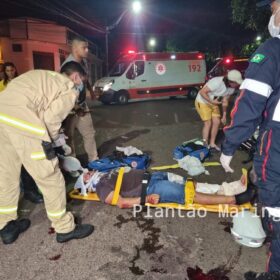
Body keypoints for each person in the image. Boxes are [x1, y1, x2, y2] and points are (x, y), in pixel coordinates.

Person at [0, 61, 94, 245]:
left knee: (6, 176)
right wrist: (50, 146)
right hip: (21, 122)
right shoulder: (69, 88)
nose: (81, 85)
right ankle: (65, 228)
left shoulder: (44, 77)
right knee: (51, 176)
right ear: (75, 77)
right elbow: (50, 120)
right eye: (81, 80)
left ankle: (6, 227)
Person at [220, 0, 280, 272]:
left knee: (275, 214)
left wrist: (229, 145)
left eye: (274, 7)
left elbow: (249, 104)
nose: (272, 14)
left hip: (277, 145)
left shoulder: (273, 51)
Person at [74, 169, 256, 208]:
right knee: (189, 193)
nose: (89, 172)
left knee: (189, 183)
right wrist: (146, 199)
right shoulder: (101, 189)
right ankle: (236, 199)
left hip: (152, 177)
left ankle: (231, 188)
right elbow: (122, 203)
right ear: (86, 185)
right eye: (86, 176)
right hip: (152, 187)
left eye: (87, 172)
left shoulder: (105, 175)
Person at [0, 62, 43, 203]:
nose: (10, 73)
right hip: (7, 128)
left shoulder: (21, 83)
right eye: (7, 71)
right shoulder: (2, 85)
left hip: (23, 125)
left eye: (12, 70)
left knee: (27, 161)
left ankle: (30, 191)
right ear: (4, 72)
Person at [61, 36, 98, 162]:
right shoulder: (67, 67)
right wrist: (76, 108)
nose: (87, 50)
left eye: (87, 47)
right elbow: (64, 94)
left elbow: (85, 79)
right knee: (69, 137)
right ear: (75, 48)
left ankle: (94, 161)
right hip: (70, 108)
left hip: (82, 105)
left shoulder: (83, 62)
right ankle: (73, 165)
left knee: (89, 133)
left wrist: (91, 92)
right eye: (84, 47)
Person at [195, 70, 243, 152]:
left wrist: (224, 115)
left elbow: (225, 101)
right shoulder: (217, 82)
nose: (238, 85)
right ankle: (205, 146)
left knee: (217, 122)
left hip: (214, 102)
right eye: (236, 82)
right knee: (208, 123)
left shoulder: (231, 88)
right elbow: (202, 92)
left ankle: (212, 143)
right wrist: (212, 102)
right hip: (203, 101)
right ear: (230, 81)